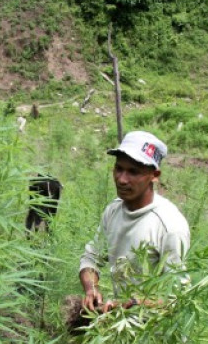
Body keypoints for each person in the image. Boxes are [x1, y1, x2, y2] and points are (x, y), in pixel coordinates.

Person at [79, 131, 190, 315]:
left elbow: (178, 297)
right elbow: (92, 258)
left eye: (133, 172)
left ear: (154, 175)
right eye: (119, 168)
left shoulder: (169, 226)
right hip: (122, 330)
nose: (122, 179)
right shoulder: (113, 211)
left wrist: (134, 302)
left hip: (157, 337)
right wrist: (91, 288)